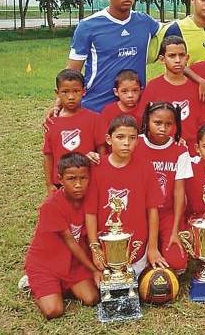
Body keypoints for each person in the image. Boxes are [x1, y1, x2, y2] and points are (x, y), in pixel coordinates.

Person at [85, 115, 168, 277]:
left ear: (137, 141)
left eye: (132, 138)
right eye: (120, 137)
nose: (126, 143)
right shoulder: (96, 168)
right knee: (97, 289)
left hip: (137, 249)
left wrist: (152, 247)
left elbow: (152, 210)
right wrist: (95, 250)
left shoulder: (145, 168)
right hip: (105, 249)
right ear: (109, 139)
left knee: (139, 285)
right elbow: (90, 213)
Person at [68, 0, 161, 112]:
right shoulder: (88, 26)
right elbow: (72, 72)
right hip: (97, 108)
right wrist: (60, 104)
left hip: (134, 109)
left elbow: (172, 33)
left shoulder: (145, 22)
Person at [24, 153, 101, 319]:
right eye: (71, 179)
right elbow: (71, 242)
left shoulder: (90, 199)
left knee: (92, 298)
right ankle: (33, 283)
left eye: (83, 178)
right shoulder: (51, 206)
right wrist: (94, 270)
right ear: (60, 179)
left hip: (73, 264)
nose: (78, 184)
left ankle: (61, 288)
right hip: (46, 264)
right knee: (53, 310)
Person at [135, 102, 193, 274]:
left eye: (168, 124)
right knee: (137, 261)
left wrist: (175, 231)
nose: (163, 128)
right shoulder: (136, 144)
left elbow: (179, 193)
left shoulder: (180, 150)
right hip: (140, 214)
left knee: (177, 262)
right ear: (147, 120)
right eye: (157, 123)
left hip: (167, 214)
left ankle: (163, 243)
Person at [43, 69, 106, 196]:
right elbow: (48, 155)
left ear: (84, 91)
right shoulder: (52, 122)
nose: (71, 97)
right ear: (57, 93)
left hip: (88, 181)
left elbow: (102, 150)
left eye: (76, 91)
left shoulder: (94, 119)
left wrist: (101, 177)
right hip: (61, 183)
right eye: (65, 92)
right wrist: (49, 184)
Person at [139, 35, 203, 149]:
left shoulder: (197, 87)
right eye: (172, 56)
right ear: (162, 59)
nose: (178, 60)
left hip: (194, 150)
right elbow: (144, 121)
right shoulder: (154, 86)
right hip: (163, 149)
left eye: (181, 55)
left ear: (187, 58)